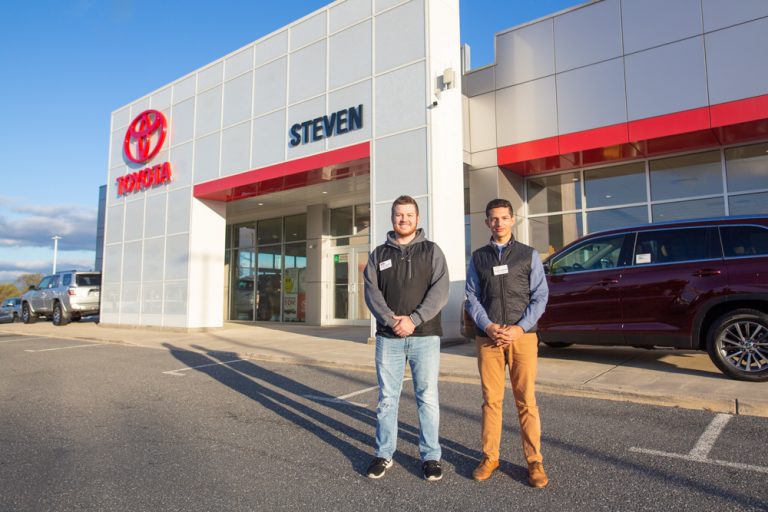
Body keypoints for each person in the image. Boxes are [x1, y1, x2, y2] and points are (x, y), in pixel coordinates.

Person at [363, 195, 450, 481]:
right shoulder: (379, 254)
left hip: (425, 335)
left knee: (428, 398)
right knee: (387, 399)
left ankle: (431, 456)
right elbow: (372, 292)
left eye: (409, 215)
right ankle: (384, 453)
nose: (404, 219)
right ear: (392, 218)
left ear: (418, 218)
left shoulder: (432, 251)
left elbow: (440, 291)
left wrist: (413, 320)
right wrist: (392, 321)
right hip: (389, 338)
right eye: (399, 215)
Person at [465, 198, 550, 488]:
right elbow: (472, 297)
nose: (499, 222)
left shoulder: (528, 255)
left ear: (513, 220)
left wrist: (519, 328)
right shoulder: (478, 258)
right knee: (491, 401)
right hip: (488, 339)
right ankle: (490, 457)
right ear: (487, 222)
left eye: (504, 217)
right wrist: (487, 326)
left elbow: (540, 296)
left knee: (526, 401)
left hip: (522, 338)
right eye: (493, 218)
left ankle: (534, 461)